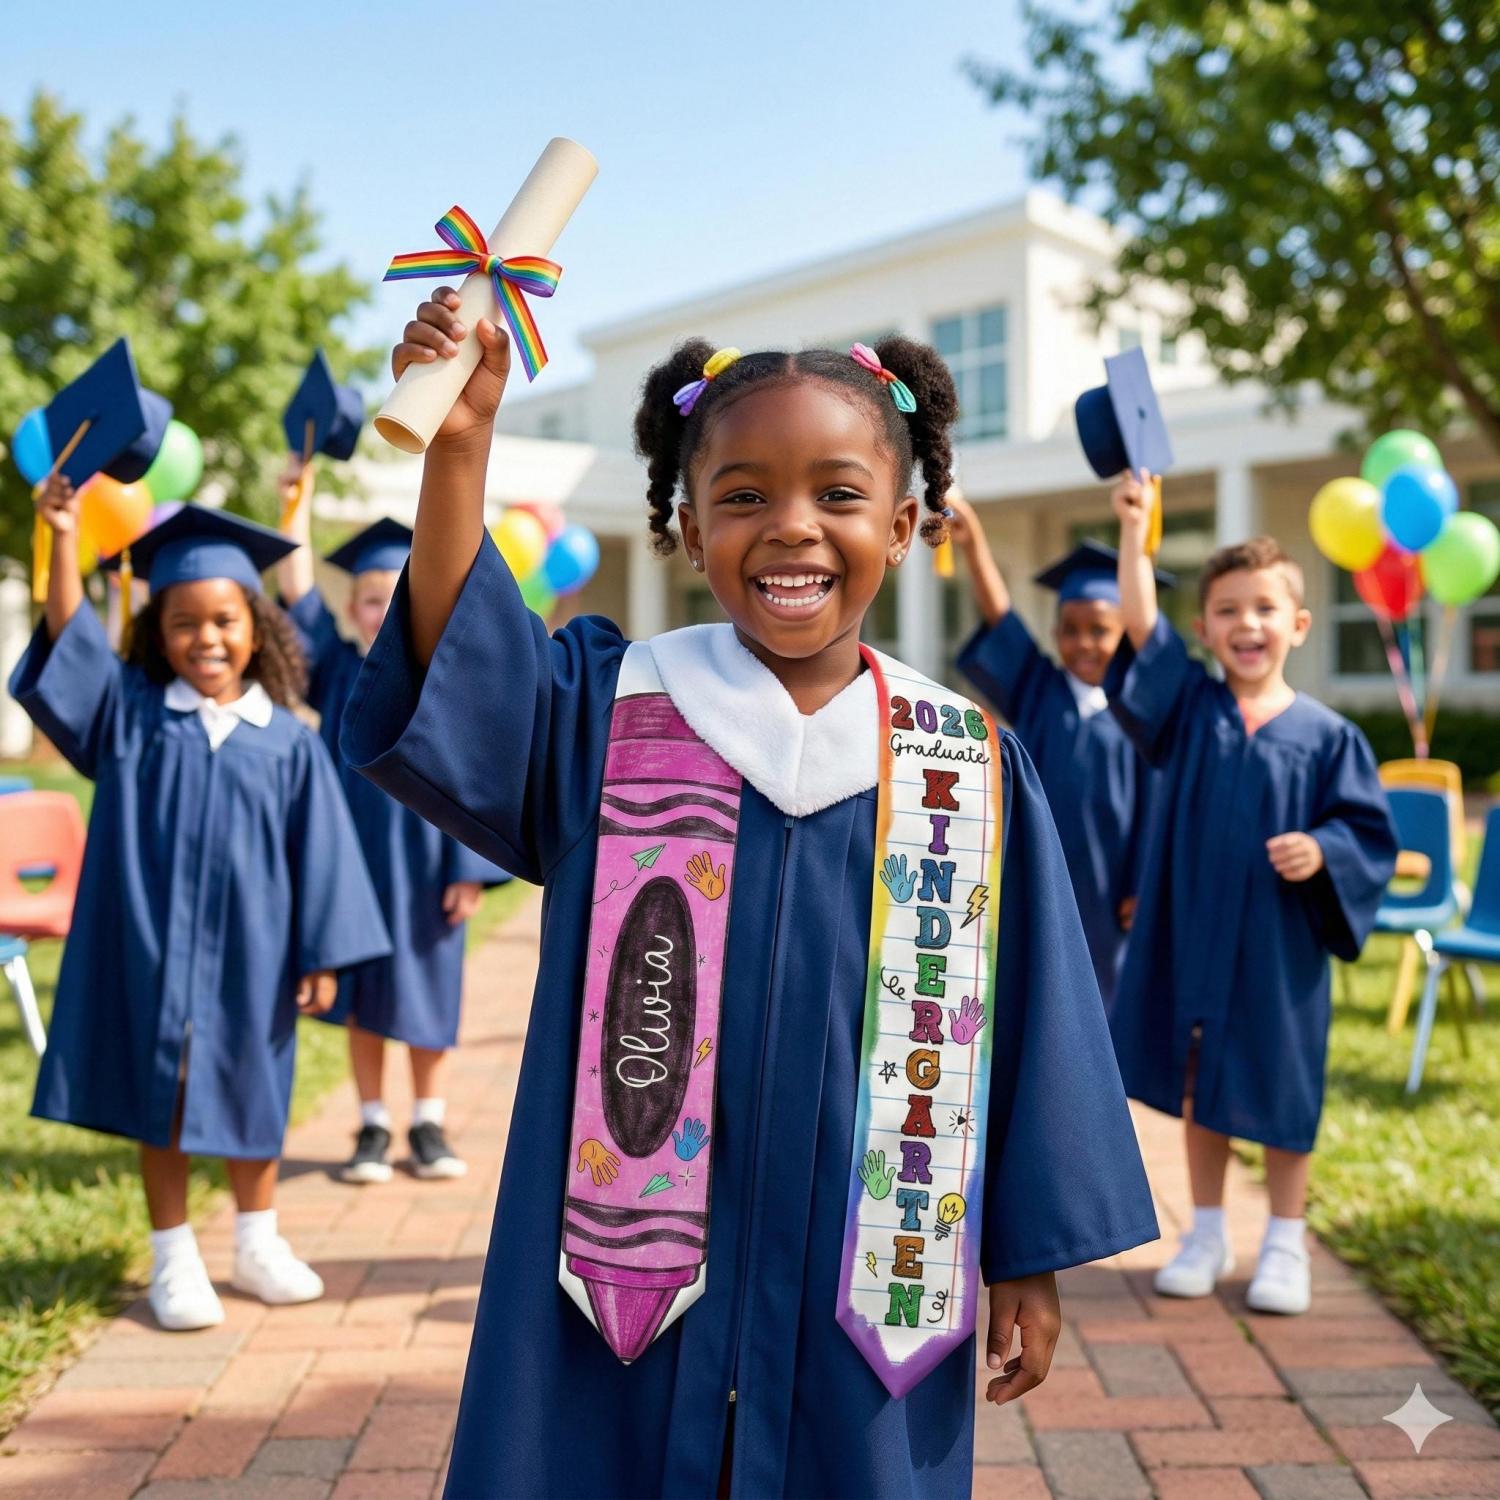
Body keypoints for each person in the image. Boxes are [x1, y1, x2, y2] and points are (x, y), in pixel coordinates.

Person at [339, 297, 1158, 1498]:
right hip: (620, 1276)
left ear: (908, 519)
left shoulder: (962, 758)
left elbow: (1038, 1016)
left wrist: (1028, 1256)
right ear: (684, 523)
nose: (792, 531)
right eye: (742, 495)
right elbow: (469, 660)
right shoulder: (612, 710)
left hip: (871, 1262)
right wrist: (462, 446)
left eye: (838, 494)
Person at [11, 487, 390, 1332]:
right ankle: (173, 1255)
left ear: (257, 627)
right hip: (154, 951)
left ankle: (257, 1242)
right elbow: (72, 649)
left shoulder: (288, 741)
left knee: (258, 1092)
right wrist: (62, 539)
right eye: (183, 622)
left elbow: (321, 854)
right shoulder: (132, 717)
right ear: (156, 631)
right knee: (166, 1099)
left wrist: (323, 954)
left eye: (224, 620)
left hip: (255, 956)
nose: (205, 639)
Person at [1107, 471, 1397, 1315]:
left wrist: (1326, 848)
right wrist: (1136, 534)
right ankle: (1205, 1231)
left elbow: (1369, 835)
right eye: (1229, 610)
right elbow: (1140, 627)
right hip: (1197, 935)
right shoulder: (1192, 711)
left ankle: (1285, 1244)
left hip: (1279, 953)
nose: (1248, 625)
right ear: (1205, 628)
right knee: (1202, 1086)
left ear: (1299, 626)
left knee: (1282, 1089)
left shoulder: (1328, 737)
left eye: (1266, 609)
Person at [276, 485, 509, 1184]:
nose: (380, 608)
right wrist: (297, 504)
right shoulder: (337, 668)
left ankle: (428, 1119)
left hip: (427, 861)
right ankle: (373, 1121)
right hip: (351, 864)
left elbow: (470, 767)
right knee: (364, 994)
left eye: (391, 597)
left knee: (428, 988)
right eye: (368, 598)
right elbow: (296, 593)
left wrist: (470, 868)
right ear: (351, 611)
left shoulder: (439, 672)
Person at [951, 499, 1167, 1006]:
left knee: (1106, 991)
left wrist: (1141, 884)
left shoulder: (1139, 710)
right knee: (1035, 980)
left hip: (1110, 883)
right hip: (1041, 866)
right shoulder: (1039, 690)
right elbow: (1000, 616)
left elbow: (1153, 806)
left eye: (1100, 630)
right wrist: (974, 544)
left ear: (1125, 636)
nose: (1083, 643)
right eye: (1069, 630)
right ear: (1054, 634)